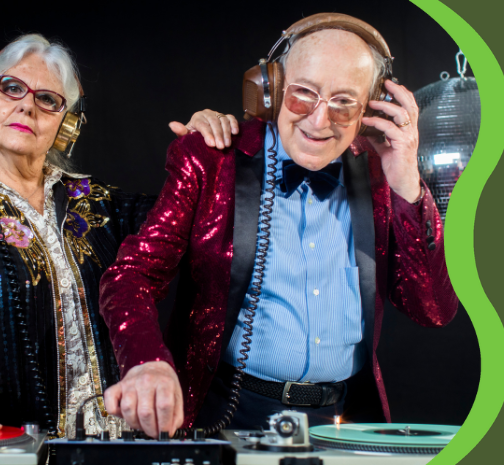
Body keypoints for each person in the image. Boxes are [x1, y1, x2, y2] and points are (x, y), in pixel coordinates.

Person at [99, 13, 459, 438]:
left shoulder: (384, 174)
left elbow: (434, 310)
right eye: (304, 93)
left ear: (371, 107)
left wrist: (407, 186)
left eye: (344, 101)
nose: (319, 121)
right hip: (225, 413)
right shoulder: (212, 159)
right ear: (269, 89)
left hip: (345, 420)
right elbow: (131, 276)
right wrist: (146, 363)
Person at [0, 33, 237, 440]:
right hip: (17, 445)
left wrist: (204, 149)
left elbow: (191, 218)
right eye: (12, 87)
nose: (26, 106)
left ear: (66, 124)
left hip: (120, 446)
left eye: (47, 99)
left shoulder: (102, 204)